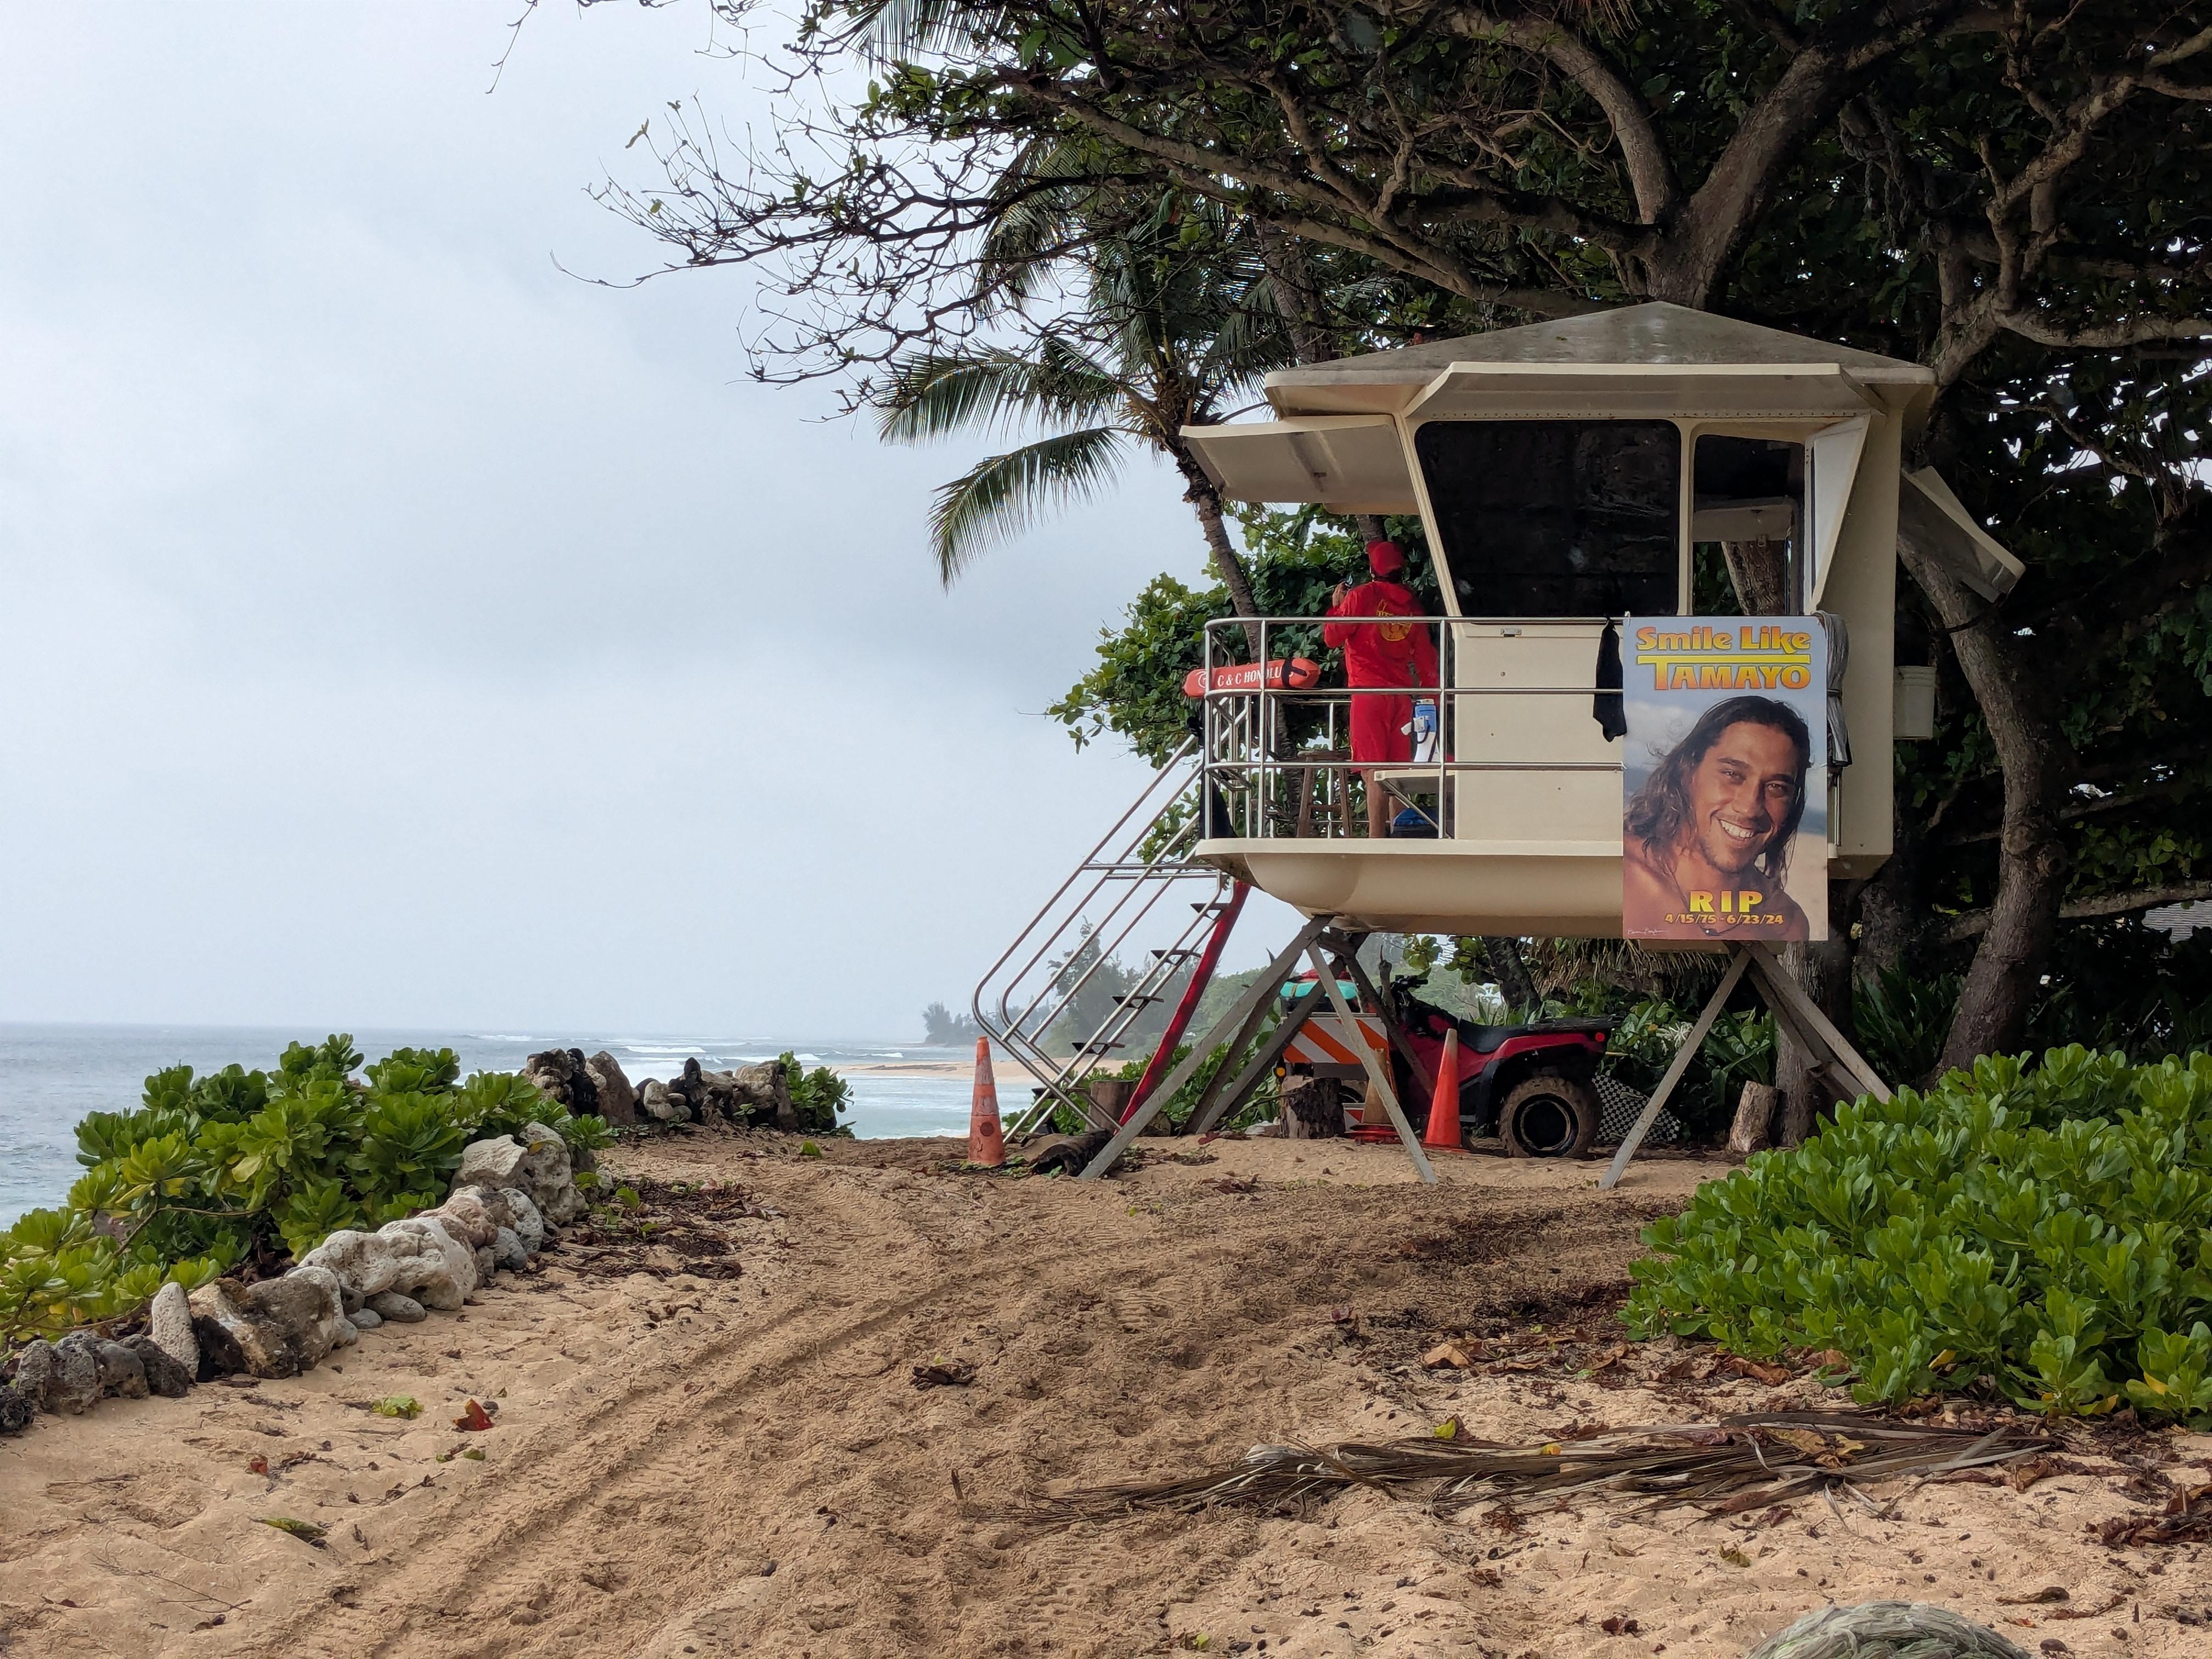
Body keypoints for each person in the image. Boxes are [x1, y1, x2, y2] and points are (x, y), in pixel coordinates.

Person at [1622, 695, 1813, 939]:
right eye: (1732, 774)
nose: (1749, 808)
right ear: (1688, 772)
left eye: (1776, 787)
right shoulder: (1622, 871)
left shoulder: (1786, 923)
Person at [1323, 540, 1438, 839]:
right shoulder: (1413, 607)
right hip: (1401, 698)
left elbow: (1332, 638)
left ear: (1372, 569)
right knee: (1396, 774)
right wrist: (1433, 700)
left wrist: (1337, 607)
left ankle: (1376, 840)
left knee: (1373, 773)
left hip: (1367, 696)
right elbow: (1427, 664)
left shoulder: (1362, 596)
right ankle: (1399, 835)